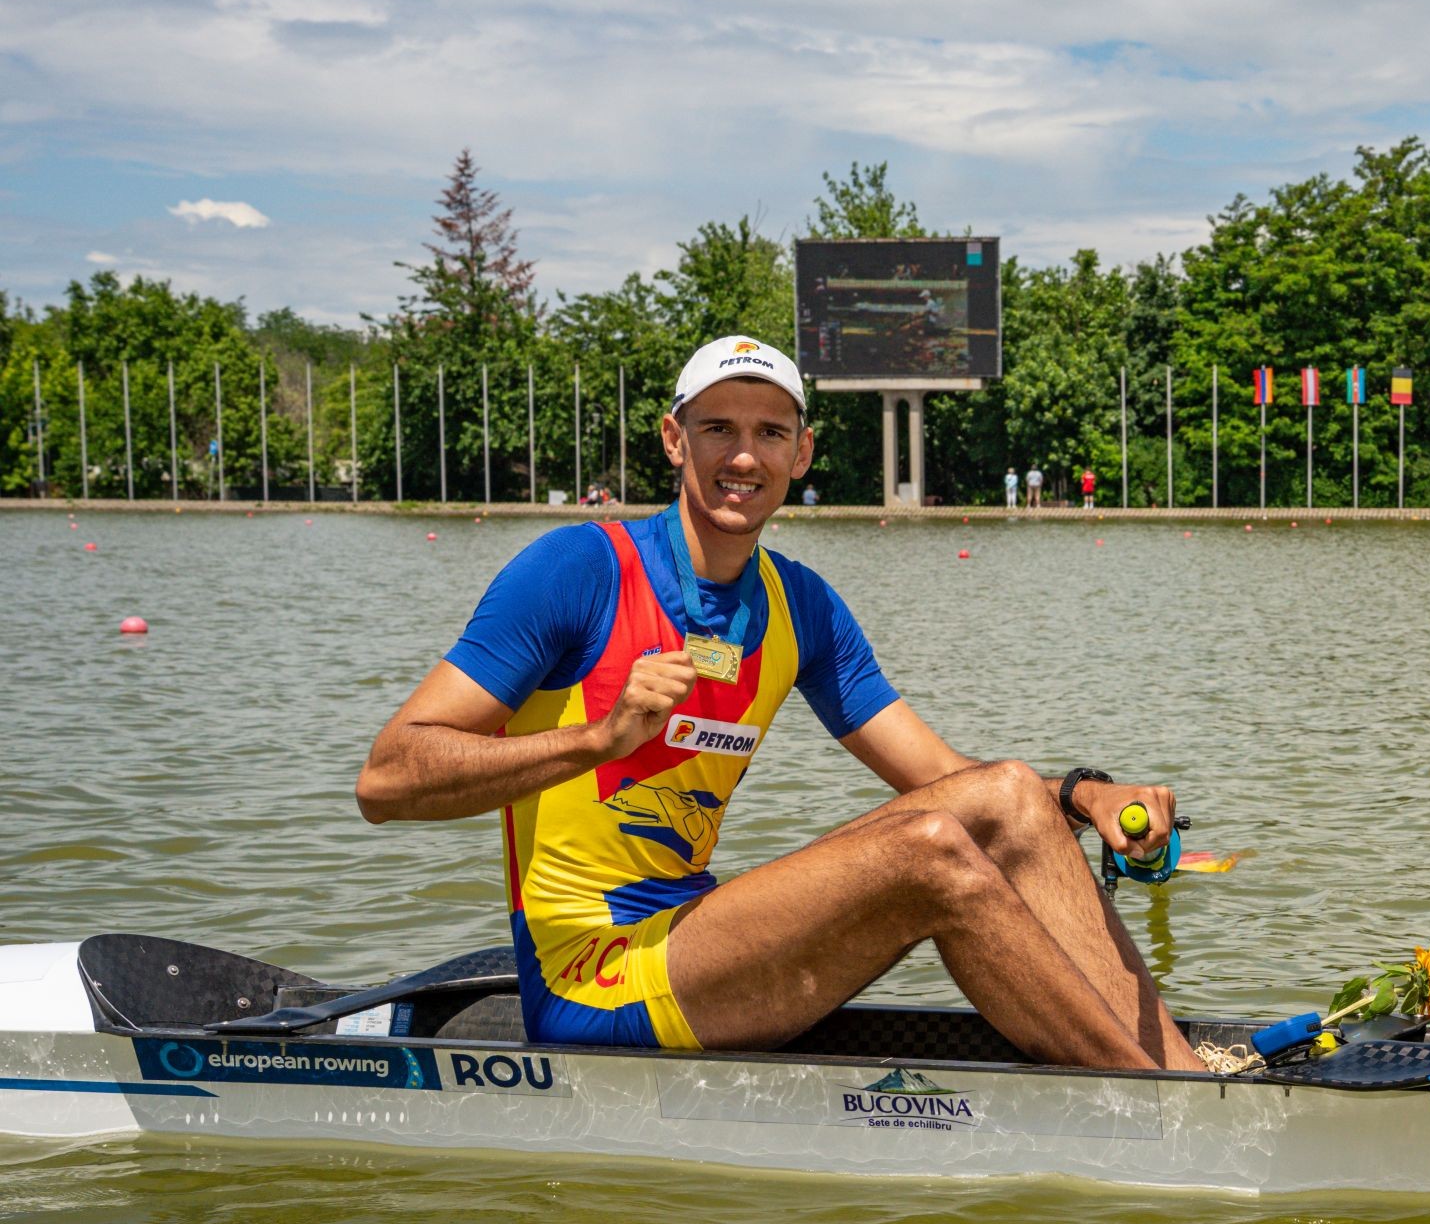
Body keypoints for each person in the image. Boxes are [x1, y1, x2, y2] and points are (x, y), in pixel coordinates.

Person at [356, 334, 1202, 1072]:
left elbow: (956, 781)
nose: (744, 456)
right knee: (932, 852)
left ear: (801, 453)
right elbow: (387, 780)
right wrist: (598, 737)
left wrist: (1083, 796)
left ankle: (1181, 1071)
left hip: (690, 932)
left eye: (770, 432)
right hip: (592, 981)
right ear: (673, 438)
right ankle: (1162, 1112)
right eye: (718, 427)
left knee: (1012, 791)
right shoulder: (575, 571)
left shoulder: (800, 604)